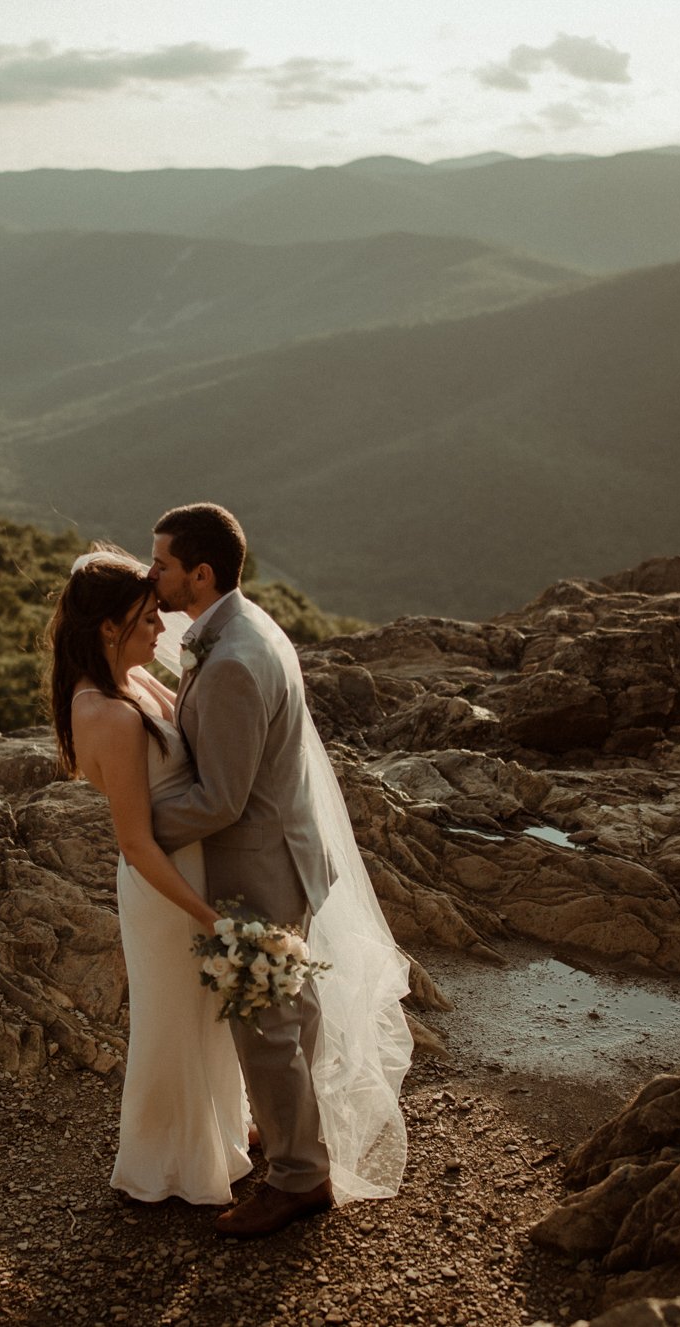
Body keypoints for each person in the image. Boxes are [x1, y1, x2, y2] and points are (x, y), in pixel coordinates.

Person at [146, 502, 411, 1238]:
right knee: (291, 1014)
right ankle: (288, 1130)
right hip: (284, 852)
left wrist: (138, 828)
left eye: (162, 563)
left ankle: (299, 1179)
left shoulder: (231, 660)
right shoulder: (242, 628)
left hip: (257, 867)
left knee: (267, 1024)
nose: (151, 574)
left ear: (200, 574)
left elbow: (222, 800)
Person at [47, 544, 253, 1206]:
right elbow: (135, 842)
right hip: (166, 892)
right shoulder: (105, 711)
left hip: (192, 873)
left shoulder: (134, 683)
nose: (162, 629)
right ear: (108, 627)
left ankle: (219, 1142)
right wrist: (208, 915)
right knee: (171, 1023)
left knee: (207, 1017)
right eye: (146, 619)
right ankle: (162, 1163)